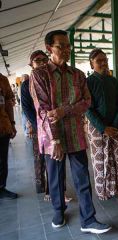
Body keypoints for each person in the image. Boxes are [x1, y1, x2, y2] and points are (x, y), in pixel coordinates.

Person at [30, 30, 111, 234]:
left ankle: (88, 220)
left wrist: (64, 110)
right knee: (56, 179)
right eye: (61, 46)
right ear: (49, 49)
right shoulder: (39, 75)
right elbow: (43, 109)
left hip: (75, 134)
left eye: (68, 46)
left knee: (82, 178)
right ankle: (58, 212)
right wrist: (54, 140)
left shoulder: (78, 74)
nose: (66, 50)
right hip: (52, 138)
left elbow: (86, 102)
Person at [86, 48, 118, 202]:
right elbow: (87, 108)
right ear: (91, 64)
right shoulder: (88, 82)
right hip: (97, 128)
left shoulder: (113, 81)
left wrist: (114, 125)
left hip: (114, 127)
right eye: (99, 61)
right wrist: (103, 128)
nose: (103, 63)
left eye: (105, 60)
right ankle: (103, 192)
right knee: (101, 161)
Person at [22, 50, 72, 202]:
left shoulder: (52, 78)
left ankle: (58, 192)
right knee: (40, 160)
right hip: (39, 129)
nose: (42, 62)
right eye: (38, 60)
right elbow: (27, 108)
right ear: (31, 65)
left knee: (57, 160)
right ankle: (44, 190)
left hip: (55, 126)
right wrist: (40, 127)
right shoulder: (26, 84)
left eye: (44, 59)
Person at [0, 72, 17, 199]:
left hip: (3, 126)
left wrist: (12, 123)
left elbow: (8, 103)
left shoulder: (3, 79)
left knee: (2, 161)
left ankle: (1, 188)